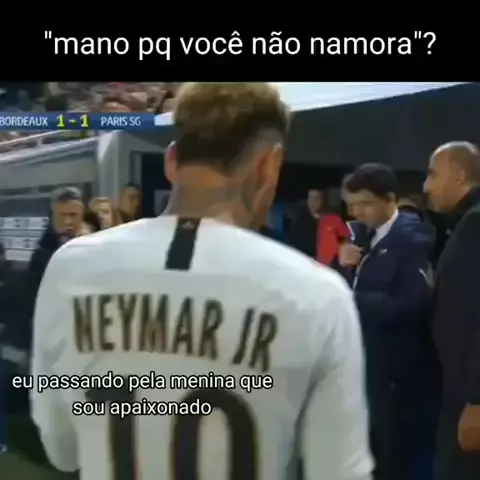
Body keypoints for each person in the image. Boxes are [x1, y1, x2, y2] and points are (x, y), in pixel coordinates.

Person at [30, 83, 373, 480]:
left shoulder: (72, 266)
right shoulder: (319, 294)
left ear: (171, 161)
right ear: (269, 165)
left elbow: (61, 448)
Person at [335, 164, 432, 480]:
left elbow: (410, 306)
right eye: (351, 205)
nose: (356, 212)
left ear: (389, 199)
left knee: (390, 462)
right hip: (355, 369)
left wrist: (349, 298)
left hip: (393, 377)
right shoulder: (359, 236)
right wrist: (342, 266)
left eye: (365, 203)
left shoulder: (413, 241)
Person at [423, 141, 480, 480]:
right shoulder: (464, 223)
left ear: (459, 176)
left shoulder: (475, 224)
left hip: (467, 398)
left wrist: (477, 401)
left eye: (432, 175)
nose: (426, 186)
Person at [289, 189, 350, 264]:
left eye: (316, 198)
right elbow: (293, 248)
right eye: (310, 197)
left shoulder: (334, 220)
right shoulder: (300, 221)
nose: (312, 202)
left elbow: (345, 243)